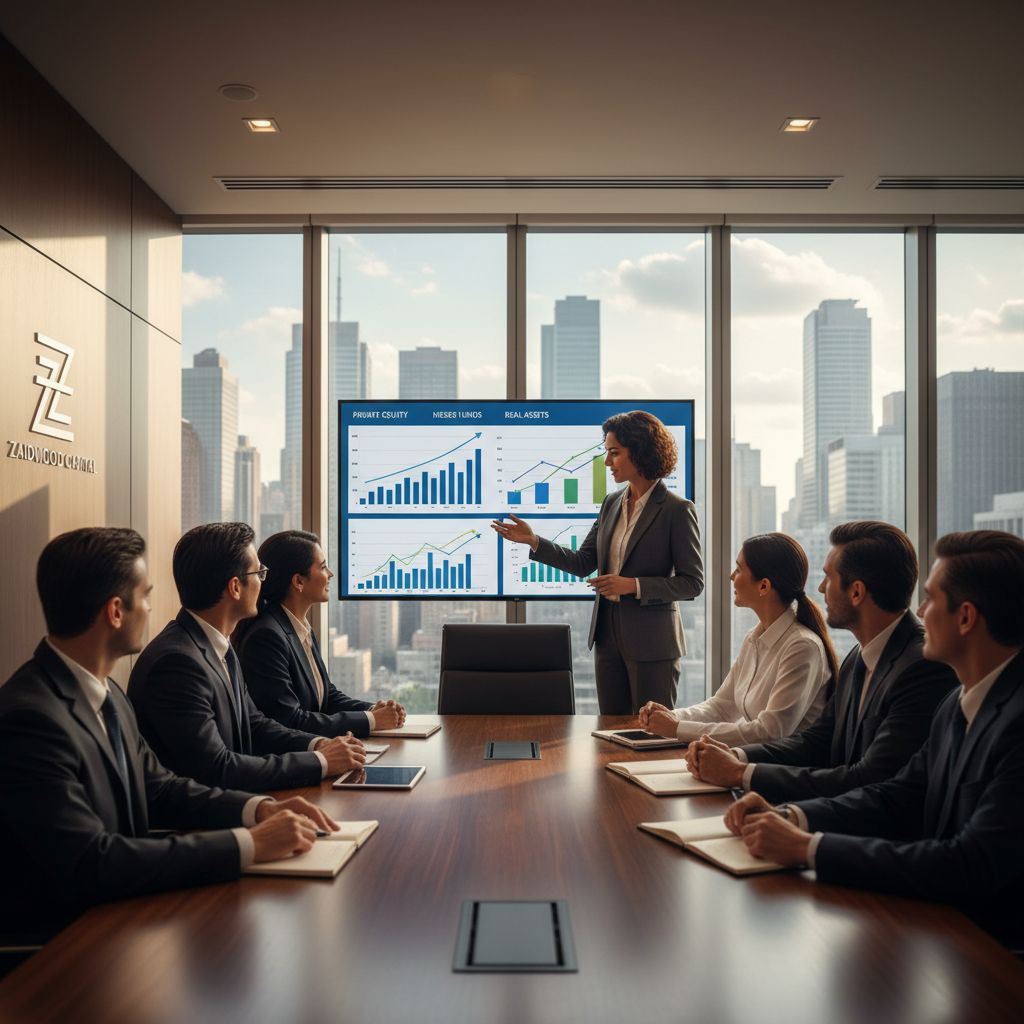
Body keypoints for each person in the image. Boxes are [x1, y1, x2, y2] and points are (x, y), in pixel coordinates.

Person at [0, 527, 342, 941]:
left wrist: (258, 809)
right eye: (145, 595)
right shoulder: (31, 718)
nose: (150, 608)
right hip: (62, 952)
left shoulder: (108, 695)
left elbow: (161, 789)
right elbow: (92, 861)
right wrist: (248, 844)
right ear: (115, 611)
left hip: (124, 918)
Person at [725, 530, 1024, 947]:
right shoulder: (957, 702)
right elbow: (896, 793)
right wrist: (794, 816)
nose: (920, 610)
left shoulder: (1009, 720)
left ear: (966, 617)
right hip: (939, 923)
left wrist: (810, 848)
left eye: (933, 599)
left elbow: (969, 863)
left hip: (990, 952)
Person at [687, 521, 957, 799]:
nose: (819, 587)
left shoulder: (921, 667)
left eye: (828, 577)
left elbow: (871, 779)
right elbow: (817, 741)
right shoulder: (858, 657)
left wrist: (740, 774)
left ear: (856, 592)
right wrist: (735, 754)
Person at [492, 410, 703, 714]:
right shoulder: (612, 503)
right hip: (607, 637)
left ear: (641, 451)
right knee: (610, 731)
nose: (607, 462)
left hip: (653, 643)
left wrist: (632, 586)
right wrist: (534, 541)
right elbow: (582, 562)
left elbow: (692, 582)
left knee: (650, 733)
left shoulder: (677, 510)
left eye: (614, 453)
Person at [129, 523, 366, 791]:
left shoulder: (218, 646)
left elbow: (255, 725)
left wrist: (319, 745)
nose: (263, 582)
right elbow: (217, 769)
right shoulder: (177, 663)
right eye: (259, 573)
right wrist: (321, 761)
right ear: (235, 587)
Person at [638, 533, 834, 744]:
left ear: (764, 586)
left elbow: (771, 732)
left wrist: (678, 728)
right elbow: (721, 707)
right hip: (754, 761)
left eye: (739, 569)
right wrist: (670, 717)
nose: (732, 576)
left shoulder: (802, 647)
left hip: (782, 770)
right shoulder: (754, 638)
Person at [235, 530, 405, 737]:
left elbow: (327, 697)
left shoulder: (299, 627)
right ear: (298, 581)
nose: (330, 574)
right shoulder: (266, 637)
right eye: (323, 567)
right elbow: (289, 719)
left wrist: (373, 710)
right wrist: (371, 721)